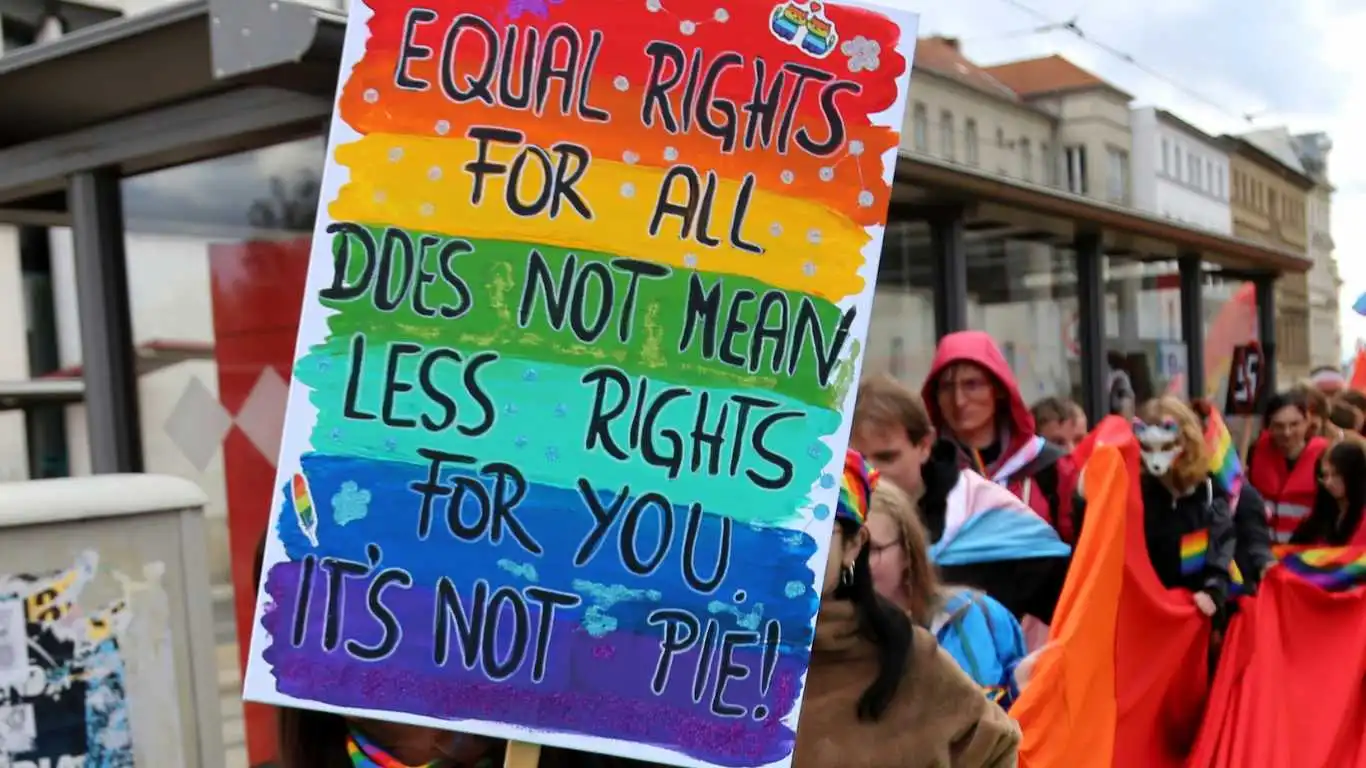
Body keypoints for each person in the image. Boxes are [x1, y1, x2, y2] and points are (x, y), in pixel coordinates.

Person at [269, 451, 1022, 768]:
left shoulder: (909, 662)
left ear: (856, 549)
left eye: (820, 529)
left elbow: (994, 750)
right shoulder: (658, 661)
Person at [855, 375, 1072, 625]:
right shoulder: (827, 521)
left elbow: (1076, 611)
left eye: (887, 458)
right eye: (856, 460)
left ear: (925, 445)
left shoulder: (984, 511)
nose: (870, 474)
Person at [866, 478, 1031, 709]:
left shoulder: (979, 615)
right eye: (844, 546)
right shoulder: (822, 642)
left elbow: (1025, 703)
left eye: (870, 549)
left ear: (907, 551)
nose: (853, 562)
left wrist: (1019, 683)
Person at [922, 330, 1080, 543]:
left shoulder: (1051, 467)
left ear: (998, 389)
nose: (959, 400)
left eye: (972, 385)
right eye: (947, 387)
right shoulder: (925, 469)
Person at [1191, 399, 1275, 592]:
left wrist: (1266, 566)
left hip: (1232, 599)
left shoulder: (1240, 494)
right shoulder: (1171, 492)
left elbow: (1257, 544)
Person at [1247, 389, 1330, 543]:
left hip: (1309, 555)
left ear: (1307, 422)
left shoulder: (1325, 458)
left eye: (1294, 424)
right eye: (1279, 426)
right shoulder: (1253, 453)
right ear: (1268, 427)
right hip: (1264, 553)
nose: (1287, 433)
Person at [1291, 440, 1366, 547]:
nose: (1328, 482)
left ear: (1353, 474)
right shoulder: (1316, 517)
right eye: (1325, 475)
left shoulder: (1363, 515)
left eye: (1336, 474)